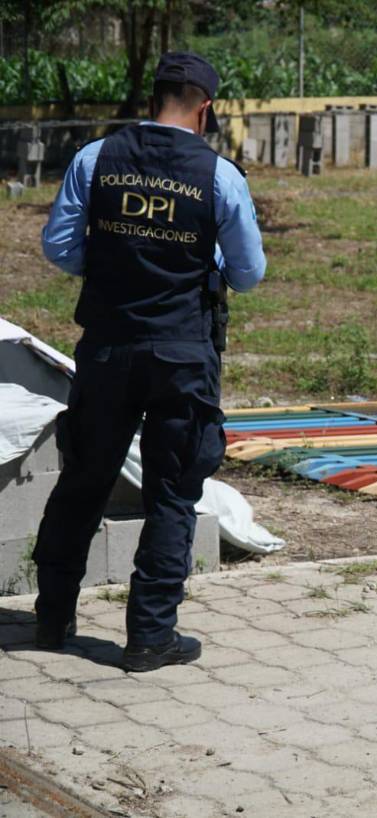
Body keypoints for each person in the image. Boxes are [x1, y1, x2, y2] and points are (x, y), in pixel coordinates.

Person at [34, 52, 265, 672]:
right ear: (205, 107)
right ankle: (149, 638)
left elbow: (58, 244)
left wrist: (113, 269)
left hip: (108, 346)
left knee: (83, 480)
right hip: (183, 355)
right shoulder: (220, 176)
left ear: (153, 95)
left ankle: (52, 619)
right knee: (172, 493)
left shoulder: (95, 158)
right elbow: (249, 272)